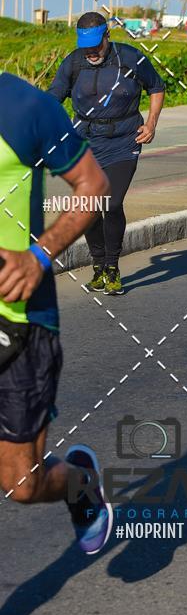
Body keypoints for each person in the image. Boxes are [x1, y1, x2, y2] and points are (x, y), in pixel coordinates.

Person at [0, 70, 113, 554]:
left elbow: (93, 184)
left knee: (20, 485)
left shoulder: (25, 107)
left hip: (21, 322)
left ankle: (78, 485)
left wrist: (38, 256)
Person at [48, 12, 165, 294]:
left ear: (107, 37)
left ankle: (112, 267)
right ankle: (98, 266)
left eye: (95, 45)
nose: (90, 51)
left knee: (110, 204)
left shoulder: (130, 58)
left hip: (124, 139)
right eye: (85, 45)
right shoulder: (74, 62)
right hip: (85, 141)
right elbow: (54, 96)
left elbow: (156, 87)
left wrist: (151, 123)